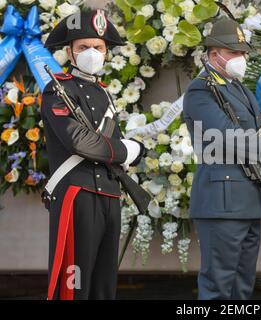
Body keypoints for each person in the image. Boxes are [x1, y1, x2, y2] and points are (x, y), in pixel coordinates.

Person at [42, 9, 144, 300]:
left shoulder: (104, 94)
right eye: (84, 47)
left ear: (106, 52)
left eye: (98, 48)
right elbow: (78, 140)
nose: (92, 53)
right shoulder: (57, 89)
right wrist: (127, 149)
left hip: (110, 195)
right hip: (77, 194)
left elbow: (107, 140)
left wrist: (130, 149)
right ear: (70, 52)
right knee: (75, 286)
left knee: (103, 287)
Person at [183, 18, 261, 300]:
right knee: (218, 285)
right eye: (234, 52)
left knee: (241, 287)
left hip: (247, 198)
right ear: (214, 55)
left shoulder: (240, 89)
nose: (241, 58)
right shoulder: (201, 90)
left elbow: (260, 135)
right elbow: (224, 136)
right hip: (222, 200)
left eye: (243, 53)